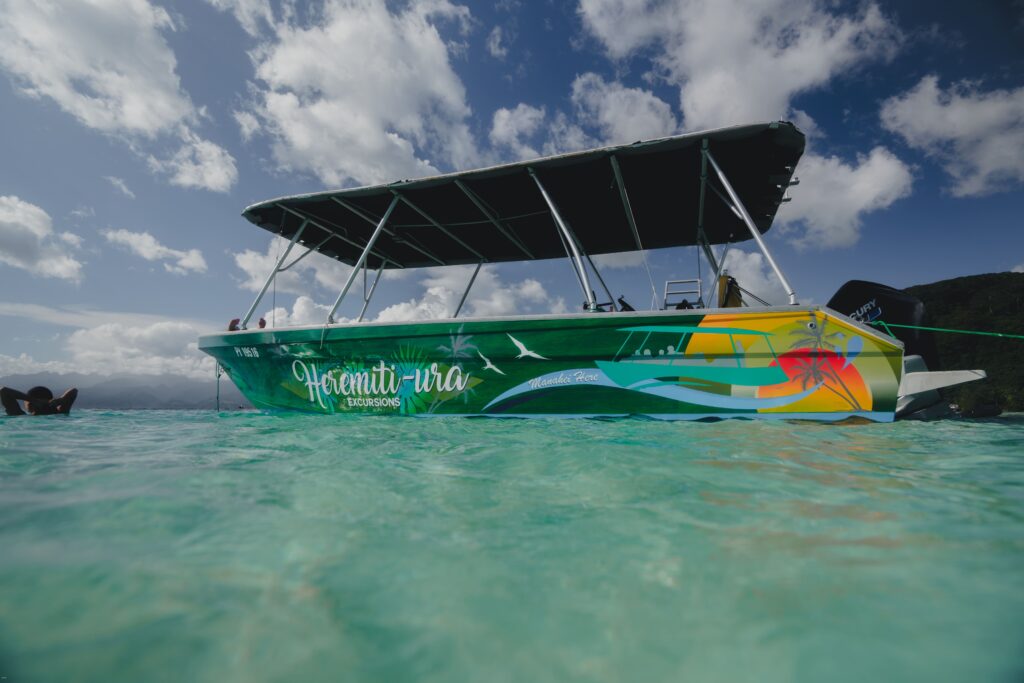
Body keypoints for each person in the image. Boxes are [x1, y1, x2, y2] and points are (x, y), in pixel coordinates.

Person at [1, 385, 78, 416]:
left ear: (29, 404)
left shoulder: (19, 416)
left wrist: (32, 400)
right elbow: (74, 391)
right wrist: (61, 400)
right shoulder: (61, 413)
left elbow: (3, 391)